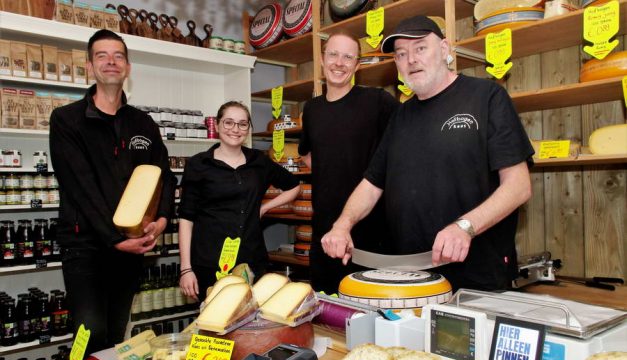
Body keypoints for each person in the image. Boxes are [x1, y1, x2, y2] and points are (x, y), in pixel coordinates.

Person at [321, 15, 534, 291]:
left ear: (444, 50)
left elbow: (519, 187)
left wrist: (465, 227)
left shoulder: (487, 97)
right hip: (414, 277)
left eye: (420, 48)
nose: (410, 59)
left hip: (477, 274)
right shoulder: (401, 116)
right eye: (401, 54)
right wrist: (342, 225)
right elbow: (372, 184)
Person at [49, 29, 176, 354]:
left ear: (128, 67)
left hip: (131, 247)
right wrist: (116, 239)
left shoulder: (143, 123)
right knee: (89, 333)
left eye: (119, 56)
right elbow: (80, 187)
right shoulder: (67, 121)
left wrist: (162, 217)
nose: (111, 62)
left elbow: (164, 175)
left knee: (116, 336)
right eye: (102, 55)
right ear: (90, 66)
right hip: (86, 247)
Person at [298, 32, 398, 294]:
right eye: (333, 54)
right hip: (325, 232)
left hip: (370, 232)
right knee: (325, 311)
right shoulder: (311, 109)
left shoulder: (378, 101)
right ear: (322, 59)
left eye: (347, 57)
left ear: (357, 65)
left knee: (371, 315)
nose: (339, 63)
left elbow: (402, 154)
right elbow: (308, 155)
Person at [178, 101, 301, 303]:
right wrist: (186, 269)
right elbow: (186, 218)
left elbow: (293, 186)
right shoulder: (198, 164)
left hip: (252, 258)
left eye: (242, 124)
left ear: (248, 129)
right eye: (228, 123)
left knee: (254, 325)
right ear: (217, 126)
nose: (235, 129)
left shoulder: (258, 161)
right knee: (215, 324)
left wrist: (265, 208)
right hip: (210, 262)